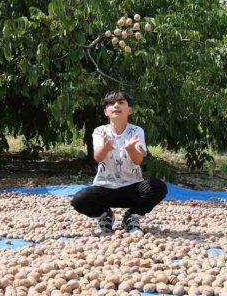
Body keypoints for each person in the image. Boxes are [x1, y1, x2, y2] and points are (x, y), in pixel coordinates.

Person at [71, 91, 167, 235]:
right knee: (79, 200)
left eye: (121, 102)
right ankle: (105, 216)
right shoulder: (100, 131)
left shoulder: (137, 131)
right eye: (111, 103)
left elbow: (138, 160)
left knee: (158, 187)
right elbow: (98, 158)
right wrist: (106, 147)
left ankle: (131, 217)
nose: (116, 105)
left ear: (130, 110)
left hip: (132, 187)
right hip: (105, 186)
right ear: (106, 112)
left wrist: (130, 149)